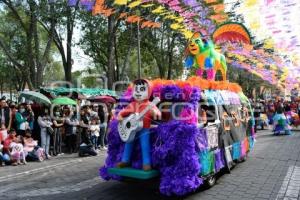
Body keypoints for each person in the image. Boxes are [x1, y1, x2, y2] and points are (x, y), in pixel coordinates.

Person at [116, 79, 161, 171]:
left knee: (145, 145)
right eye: (136, 89)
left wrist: (154, 113)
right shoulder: (133, 104)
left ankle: (146, 163)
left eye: (142, 89)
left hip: (144, 129)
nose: (138, 92)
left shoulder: (150, 104)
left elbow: (158, 114)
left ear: (148, 91)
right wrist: (120, 116)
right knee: (128, 143)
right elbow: (123, 112)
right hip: (131, 129)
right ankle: (125, 160)